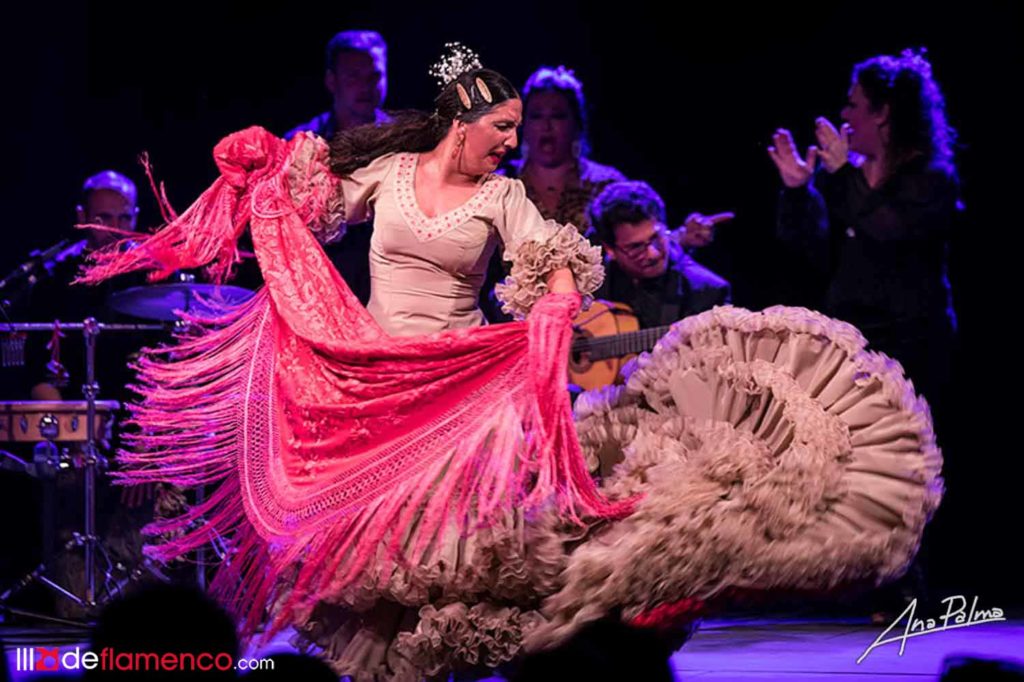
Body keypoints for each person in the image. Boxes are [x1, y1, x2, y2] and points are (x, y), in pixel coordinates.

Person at [78, 45, 944, 681]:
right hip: (379, 378)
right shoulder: (385, 174)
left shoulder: (504, 195)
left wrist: (559, 296)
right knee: (380, 541)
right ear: (461, 123)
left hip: (461, 380)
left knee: (461, 540)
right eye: (499, 128)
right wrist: (266, 177)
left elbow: (549, 254)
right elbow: (314, 213)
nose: (510, 143)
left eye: (517, 131)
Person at [769, 48, 960, 414]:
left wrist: (843, 175)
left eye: (853, 104)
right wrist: (797, 191)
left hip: (910, 345)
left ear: (883, 112)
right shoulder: (845, 176)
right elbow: (808, 247)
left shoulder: (929, 178)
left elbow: (886, 231)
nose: (844, 114)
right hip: (850, 336)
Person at [590, 180, 731, 330]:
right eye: (635, 247)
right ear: (610, 249)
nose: (653, 254)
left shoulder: (709, 293)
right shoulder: (590, 286)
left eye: (656, 237)